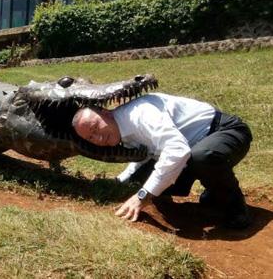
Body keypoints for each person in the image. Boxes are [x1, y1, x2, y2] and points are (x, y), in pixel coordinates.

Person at [71, 92, 253, 229]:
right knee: (143, 179)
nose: (98, 138)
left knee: (202, 157)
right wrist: (120, 181)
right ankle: (214, 191)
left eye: (95, 127)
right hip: (191, 146)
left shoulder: (140, 115)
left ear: (106, 112)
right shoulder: (120, 131)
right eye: (91, 138)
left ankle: (235, 206)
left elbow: (177, 150)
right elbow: (145, 156)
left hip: (224, 131)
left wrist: (143, 196)